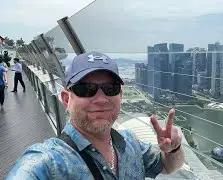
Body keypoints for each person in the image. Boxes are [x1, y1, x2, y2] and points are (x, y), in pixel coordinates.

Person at [6, 51, 185, 179]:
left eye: (110, 89)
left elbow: (167, 166)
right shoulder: (48, 161)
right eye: (86, 89)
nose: (101, 99)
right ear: (66, 99)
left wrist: (174, 149)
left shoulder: (130, 142)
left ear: (120, 96)